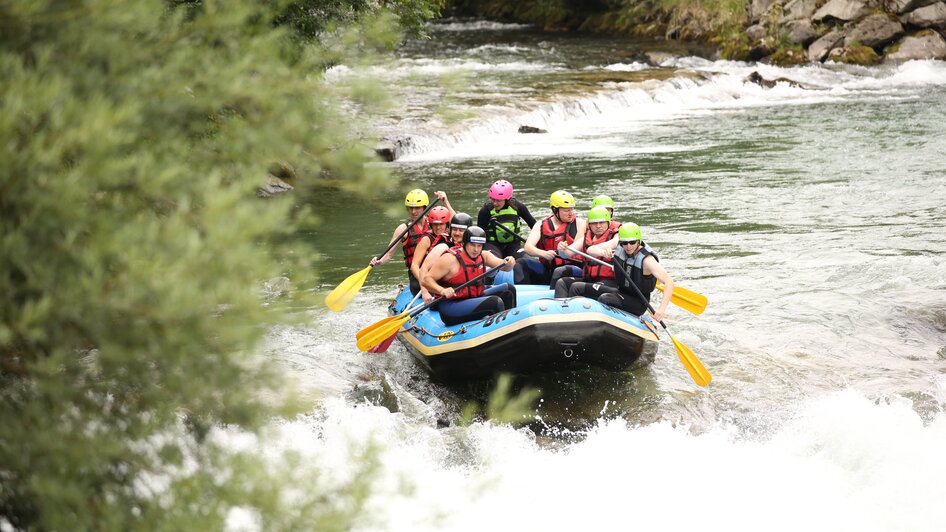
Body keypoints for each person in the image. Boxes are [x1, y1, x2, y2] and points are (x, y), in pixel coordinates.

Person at [422, 226, 517, 326]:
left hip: (472, 298)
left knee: (508, 290)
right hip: (451, 306)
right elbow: (426, 280)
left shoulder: (484, 256)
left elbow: (505, 267)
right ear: (465, 243)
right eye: (472, 245)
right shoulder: (450, 259)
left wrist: (510, 262)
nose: (476, 249)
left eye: (479, 246)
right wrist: (441, 290)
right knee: (495, 302)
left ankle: (512, 327)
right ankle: (500, 333)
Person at [369, 189, 455, 294]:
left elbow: (458, 223)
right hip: (416, 275)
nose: (413, 212)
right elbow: (389, 254)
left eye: (417, 208)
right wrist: (379, 261)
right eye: (411, 208)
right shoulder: (403, 229)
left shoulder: (435, 222)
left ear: (425, 207)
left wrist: (445, 201)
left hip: (437, 272)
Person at [584, 223, 674, 321]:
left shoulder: (647, 260)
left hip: (638, 302)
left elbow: (669, 282)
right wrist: (603, 252)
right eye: (624, 243)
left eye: (632, 242)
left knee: (604, 298)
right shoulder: (618, 244)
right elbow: (590, 249)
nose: (628, 246)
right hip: (621, 292)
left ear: (638, 241)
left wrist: (661, 310)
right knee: (578, 287)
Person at [553, 205, 621, 298]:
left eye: (601, 222)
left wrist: (600, 251)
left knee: (576, 287)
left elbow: (614, 243)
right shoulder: (586, 238)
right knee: (562, 282)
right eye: (594, 223)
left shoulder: (615, 237)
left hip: (610, 282)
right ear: (589, 225)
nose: (598, 226)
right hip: (590, 279)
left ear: (608, 223)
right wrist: (561, 249)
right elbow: (567, 254)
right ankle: (559, 307)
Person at [521, 190, 584, 286]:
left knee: (560, 271)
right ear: (555, 210)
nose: (571, 213)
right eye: (566, 210)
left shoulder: (580, 223)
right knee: (521, 263)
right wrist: (543, 253)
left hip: (572, 268)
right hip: (548, 269)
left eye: (572, 209)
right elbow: (528, 247)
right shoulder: (541, 224)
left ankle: (554, 296)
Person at [417, 211, 471, 303]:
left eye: (461, 230)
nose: (457, 233)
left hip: (461, 288)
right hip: (442, 290)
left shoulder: (473, 247)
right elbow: (424, 269)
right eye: (454, 229)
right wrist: (425, 292)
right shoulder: (443, 246)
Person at [477, 179, 537, 259]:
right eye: (493, 199)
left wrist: (534, 243)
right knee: (494, 261)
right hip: (492, 245)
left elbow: (534, 226)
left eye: (498, 200)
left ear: (507, 199)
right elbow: (478, 234)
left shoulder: (518, 207)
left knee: (526, 260)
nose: (495, 203)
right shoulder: (486, 211)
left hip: (513, 245)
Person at [410, 206, 452, 303]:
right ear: (431, 224)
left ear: (447, 224)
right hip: (421, 281)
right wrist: (424, 289)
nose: (438, 228)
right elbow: (414, 265)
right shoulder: (426, 240)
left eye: (441, 224)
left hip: (437, 278)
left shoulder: (450, 238)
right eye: (435, 225)